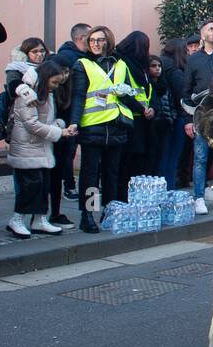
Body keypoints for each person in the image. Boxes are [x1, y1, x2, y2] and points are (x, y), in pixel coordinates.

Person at [69, 25, 131, 233]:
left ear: (108, 42)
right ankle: (88, 215)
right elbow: (78, 95)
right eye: (93, 40)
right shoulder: (82, 64)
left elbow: (130, 92)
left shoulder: (120, 64)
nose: (96, 43)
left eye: (100, 40)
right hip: (92, 126)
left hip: (115, 124)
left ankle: (109, 209)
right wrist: (75, 122)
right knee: (90, 174)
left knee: (112, 173)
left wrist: (143, 109)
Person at [5, 60, 77, 238]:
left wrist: (60, 126)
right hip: (27, 148)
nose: (56, 86)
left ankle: (40, 219)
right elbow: (32, 124)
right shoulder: (28, 94)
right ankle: (17, 219)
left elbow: (43, 121)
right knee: (31, 186)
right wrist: (60, 131)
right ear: (45, 78)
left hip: (39, 147)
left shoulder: (45, 92)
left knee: (43, 184)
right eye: (54, 82)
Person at [183, 19, 213, 215]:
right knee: (200, 156)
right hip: (202, 114)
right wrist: (188, 119)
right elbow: (186, 91)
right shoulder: (194, 59)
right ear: (203, 35)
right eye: (211, 29)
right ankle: (198, 197)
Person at [113, 30, 155, 201]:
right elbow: (120, 90)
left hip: (144, 119)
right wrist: (141, 108)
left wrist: (152, 108)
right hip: (130, 119)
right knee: (129, 161)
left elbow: (148, 92)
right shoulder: (123, 64)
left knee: (141, 159)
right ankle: (124, 197)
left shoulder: (141, 67)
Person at [52, 24, 90, 206]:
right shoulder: (67, 56)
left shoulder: (87, 57)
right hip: (68, 112)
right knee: (68, 151)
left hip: (85, 113)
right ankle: (69, 186)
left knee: (74, 152)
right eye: (91, 37)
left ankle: (87, 199)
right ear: (82, 38)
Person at [156, 38, 191, 187]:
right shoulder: (176, 70)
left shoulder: (159, 64)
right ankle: (168, 188)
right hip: (175, 117)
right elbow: (182, 95)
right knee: (172, 156)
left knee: (162, 156)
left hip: (159, 116)